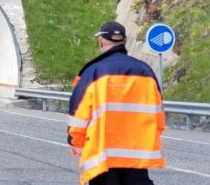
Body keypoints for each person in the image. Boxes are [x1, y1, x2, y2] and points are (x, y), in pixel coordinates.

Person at [68, 21, 165, 185]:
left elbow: (79, 117)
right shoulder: (145, 72)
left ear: (101, 41)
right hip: (137, 160)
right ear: (124, 41)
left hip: (103, 160)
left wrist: (76, 144)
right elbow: (159, 119)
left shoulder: (94, 72)